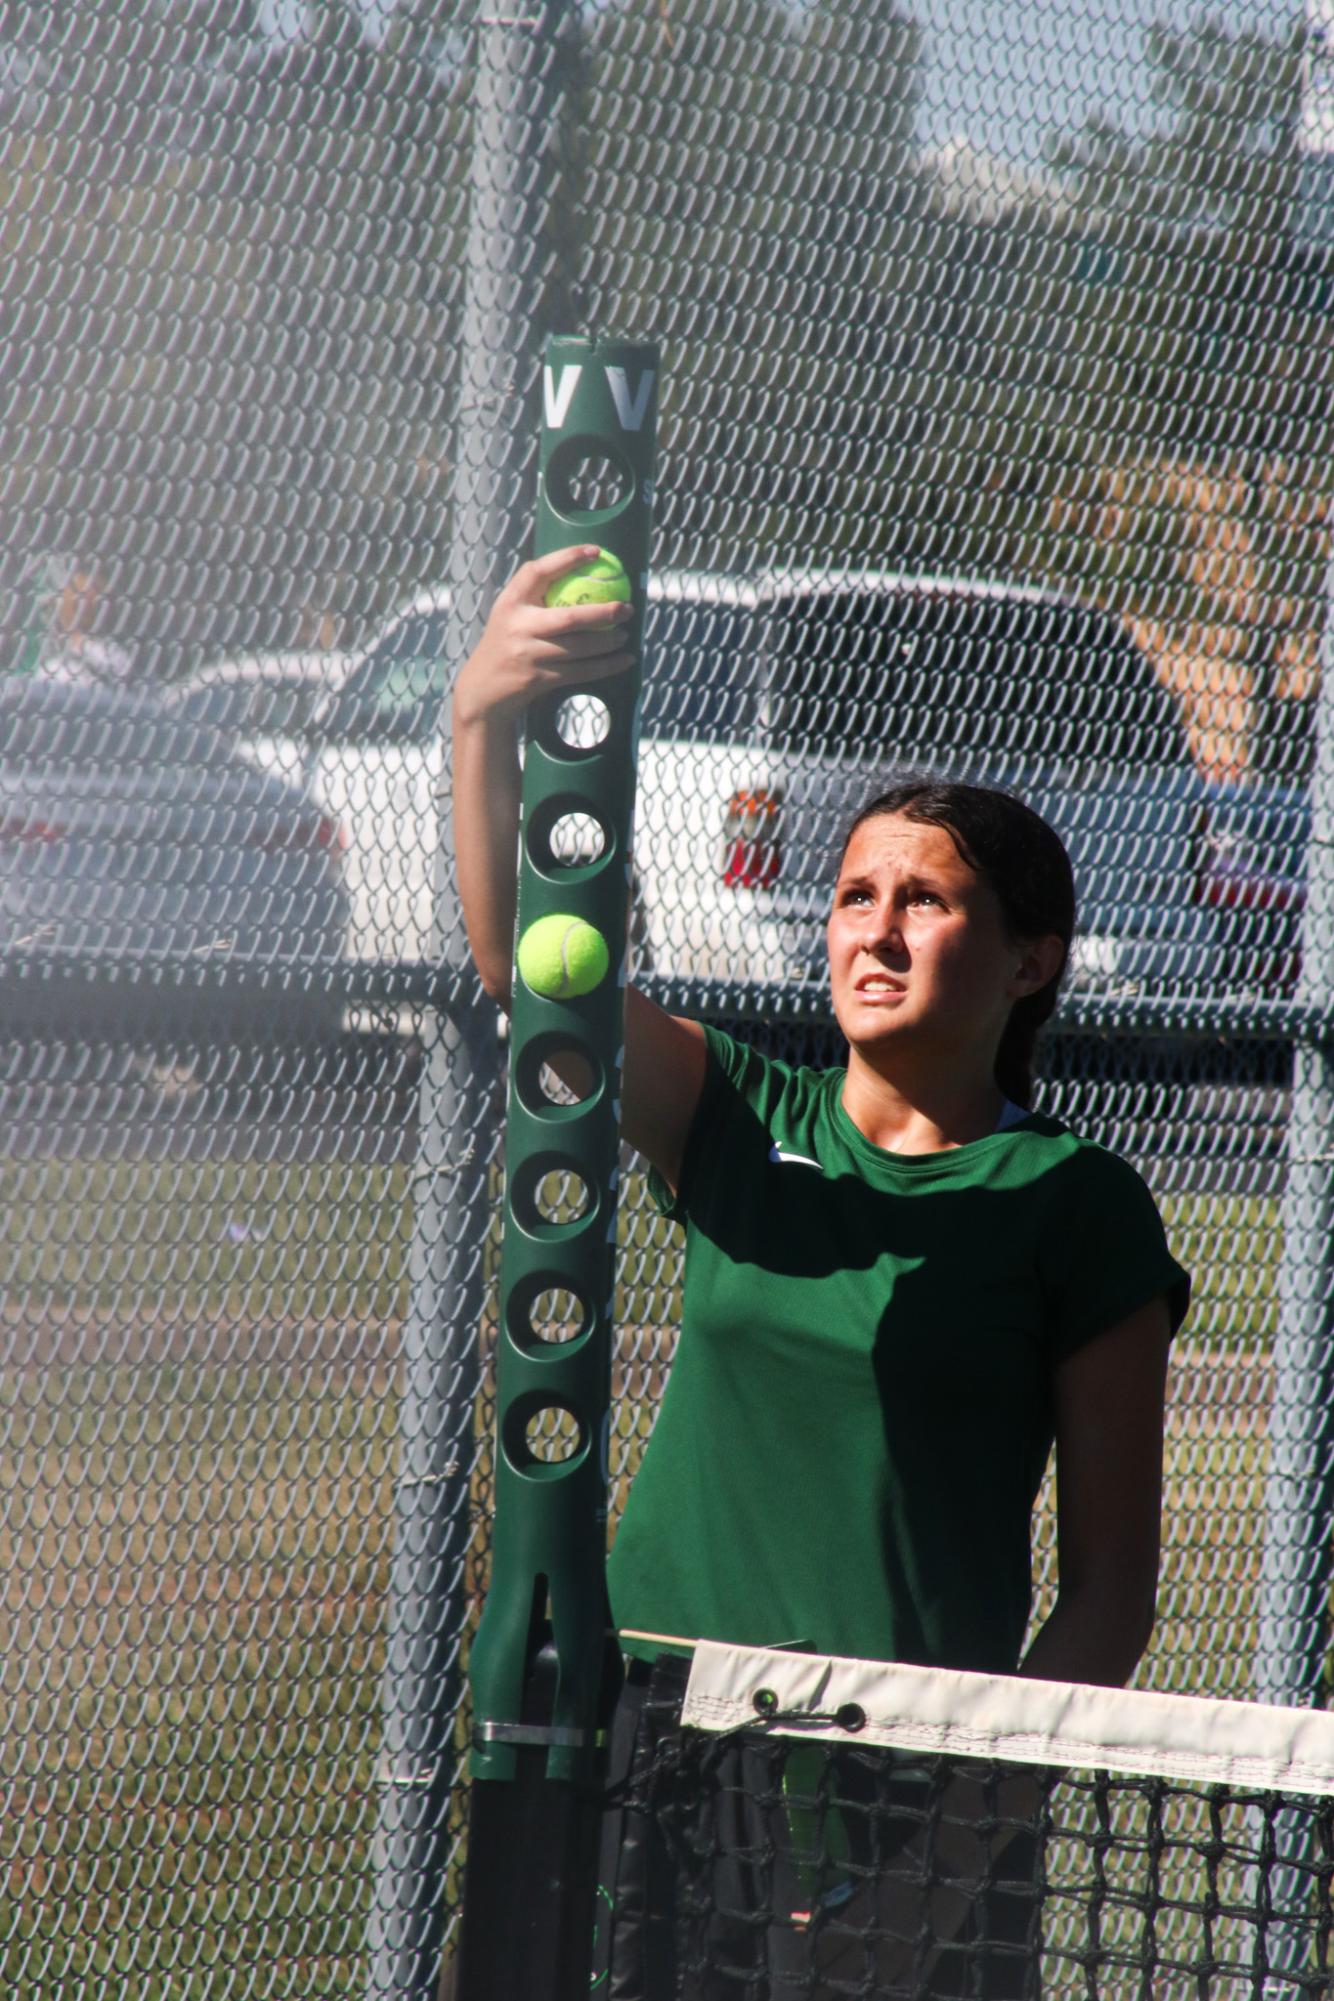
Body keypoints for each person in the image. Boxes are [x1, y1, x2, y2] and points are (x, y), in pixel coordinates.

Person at [452, 547, 1192, 1998]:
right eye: (855, 893)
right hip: (653, 1727)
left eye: (926, 898)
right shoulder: (741, 1117)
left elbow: (1108, 1595)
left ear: (1030, 958)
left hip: (909, 1768)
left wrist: (937, 1874)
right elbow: (529, 977)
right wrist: (482, 722)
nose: (874, 924)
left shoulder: (1078, 1203)